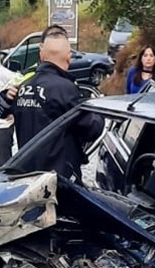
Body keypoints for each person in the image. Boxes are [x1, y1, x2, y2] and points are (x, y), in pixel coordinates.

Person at [7, 31, 103, 180]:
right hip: (57, 181)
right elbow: (92, 129)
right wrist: (95, 109)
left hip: (26, 177)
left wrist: (4, 96)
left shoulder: (24, 86)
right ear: (69, 57)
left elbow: (1, 110)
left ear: (41, 56)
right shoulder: (65, 89)